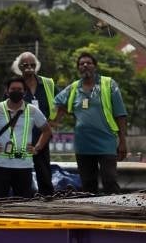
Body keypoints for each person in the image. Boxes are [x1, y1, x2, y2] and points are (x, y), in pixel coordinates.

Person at [54, 52, 128, 194]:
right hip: (83, 145)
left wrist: (123, 141)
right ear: (78, 68)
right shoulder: (74, 88)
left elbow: (120, 114)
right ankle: (91, 215)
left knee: (110, 180)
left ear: (95, 66)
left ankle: (114, 213)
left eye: (89, 63)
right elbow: (56, 103)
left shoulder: (109, 84)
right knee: (88, 185)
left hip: (106, 142)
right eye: (81, 64)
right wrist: (54, 122)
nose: (85, 65)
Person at [0, 76, 52, 199]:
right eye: (13, 89)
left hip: (24, 167)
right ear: (7, 91)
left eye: (19, 89)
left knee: (22, 206)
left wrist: (37, 148)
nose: (16, 91)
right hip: (0, 166)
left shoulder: (32, 111)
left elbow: (47, 130)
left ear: (25, 92)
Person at [11, 52, 57, 196]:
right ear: (19, 67)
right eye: (25, 65)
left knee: (43, 170)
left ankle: (47, 199)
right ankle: (24, 199)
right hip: (22, 136)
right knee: (22, 171)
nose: (29, 68)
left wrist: (53, 122)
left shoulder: (47, 83)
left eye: (32, 65)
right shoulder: (15, 85)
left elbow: (60, 103)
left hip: (42, 134)